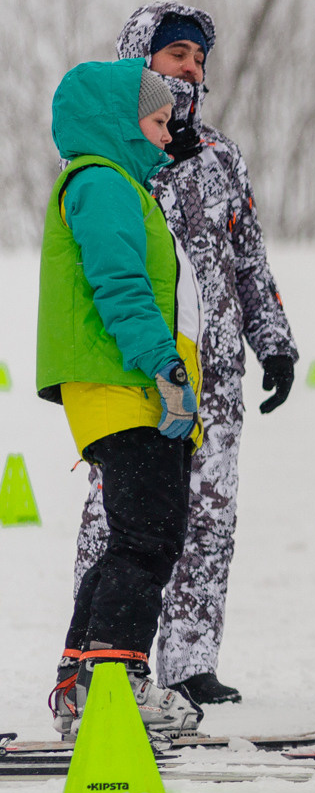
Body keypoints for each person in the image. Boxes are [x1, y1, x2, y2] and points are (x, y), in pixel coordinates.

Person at [71, 3, 298, 709]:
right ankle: (94, 659)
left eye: (198, 60)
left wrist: (274, 341)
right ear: (141, 61)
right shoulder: (123, 154)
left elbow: (249, 259)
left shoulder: (220, 157)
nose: (190, 70)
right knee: (122, 518)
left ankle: (189, 660)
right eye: (176, 56)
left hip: (218, 372)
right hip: (141, 370)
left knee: (209, 514)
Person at [38, 58, 203, 736]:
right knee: (148, 536)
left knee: (130, 537)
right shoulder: (103, 183)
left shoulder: (114, 183)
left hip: (122, 385)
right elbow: (120, 283)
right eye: (159, 121)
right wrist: (163, 365)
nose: (167, 137)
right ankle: (117, 677)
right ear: (119, 119)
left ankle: (83, 681)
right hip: (127, 383)